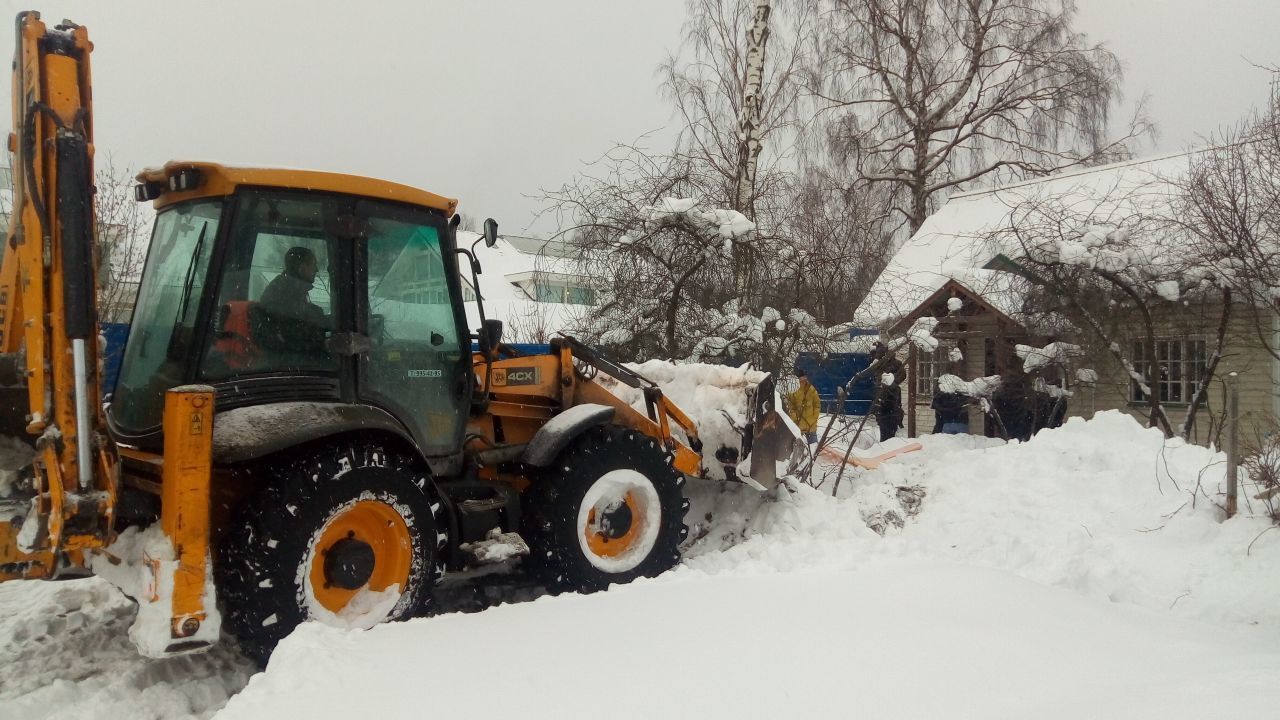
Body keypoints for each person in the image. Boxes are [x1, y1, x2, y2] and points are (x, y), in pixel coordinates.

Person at [253, 246, 329, 357]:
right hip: (284, 362)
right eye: (313, 265)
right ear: (302, 268)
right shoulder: (284, 293)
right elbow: (294, 335)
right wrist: (326, 344)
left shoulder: (290, 288)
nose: (316, 270)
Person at [869, 341, 905, 443]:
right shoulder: (881, 363)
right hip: (884, 402)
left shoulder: (895, 364)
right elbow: (873, 369)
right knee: (885, 431)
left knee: (889, 432)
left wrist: (892, 382)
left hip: (890, 402)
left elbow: (902, 376)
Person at [785, 368, 821, 444]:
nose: (803, 382)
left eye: (804, 380)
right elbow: (790, 407)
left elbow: (817, 405)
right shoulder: (793, 392)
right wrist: (795, 418)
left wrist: (813, 418)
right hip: (798, 428)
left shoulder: (811, 390)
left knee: (813, 450)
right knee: (800, 452)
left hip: (811, 427)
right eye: (801, 380)